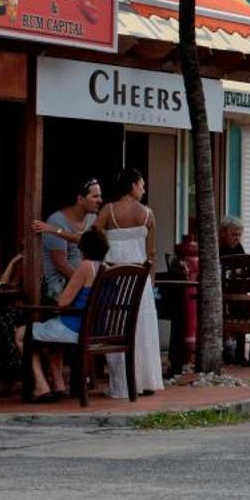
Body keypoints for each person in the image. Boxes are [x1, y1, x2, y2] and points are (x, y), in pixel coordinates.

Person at [98, 168, 162, 398]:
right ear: (132, 185)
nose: (143, 190)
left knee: (117, 326)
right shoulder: (147, 214)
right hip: (139, 281)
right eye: (142, 185)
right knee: (142, 329)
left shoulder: (108, 211)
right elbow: (151, 252)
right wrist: (150, 283)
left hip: (114, 278)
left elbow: (94, 239)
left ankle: (122, 383)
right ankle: (146, 380)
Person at [29, 227, 108, 400]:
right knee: (50, 340)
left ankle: (40, 386)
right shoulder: (106, 268)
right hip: (96, 329)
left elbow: (63, 302)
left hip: (75, 328)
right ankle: (58, 385)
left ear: (83, 249)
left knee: (22, 334)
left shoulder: (86, 266)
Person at [33, 179, 103, 299]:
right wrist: (86, 286)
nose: (100, 201)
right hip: (61, 287)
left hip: (85, 283)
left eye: (100, 196)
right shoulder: (56, 221)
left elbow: (89, 243)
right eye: (95, 196)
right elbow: (61, 265)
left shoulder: (93, 219)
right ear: (80, 199)